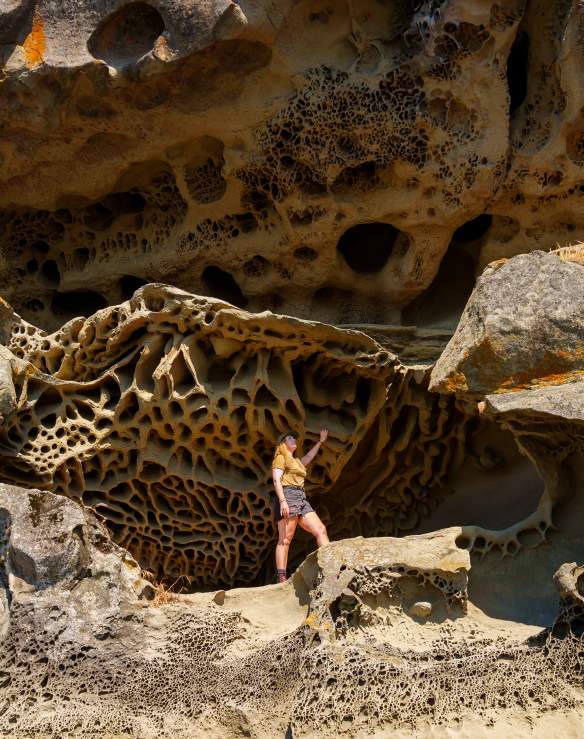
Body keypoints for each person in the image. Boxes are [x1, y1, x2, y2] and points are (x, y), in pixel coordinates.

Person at [272, 428, 330, 583]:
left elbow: (309, 456)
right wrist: (283, 501)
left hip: (301, 498)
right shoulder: (280, 458)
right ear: (283, 444)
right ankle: (281, 577)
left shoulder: (297, 462)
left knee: (320, 530)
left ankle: (331, 565)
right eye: (290, 438)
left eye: (294, 438)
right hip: (288, 495)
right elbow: (276, 480)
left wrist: (320, 442)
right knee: (285, 539)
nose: (294, 440)